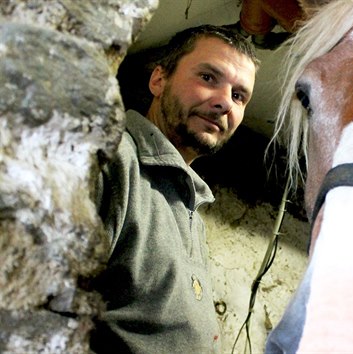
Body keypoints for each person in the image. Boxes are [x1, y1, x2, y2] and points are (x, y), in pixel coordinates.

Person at [90, 25, 259, 353]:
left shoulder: (190, 203)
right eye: (209, 77)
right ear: (158, 80)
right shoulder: (110, 157)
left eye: (239, 95)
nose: (225, 102)